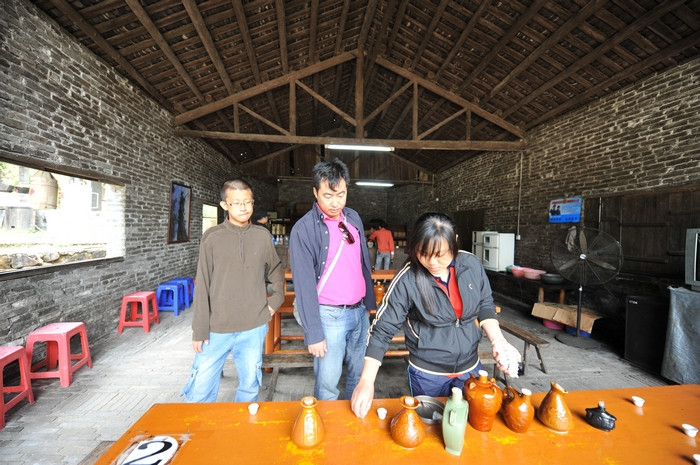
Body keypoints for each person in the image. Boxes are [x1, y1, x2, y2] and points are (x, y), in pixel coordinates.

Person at [350, 212, 521, 418]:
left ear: (454, 243)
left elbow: (485, 303)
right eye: (423, 253)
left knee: (471, 426)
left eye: (440, 254)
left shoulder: (471, 265)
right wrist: (367, 381)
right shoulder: (407, 279)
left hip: (470, 368)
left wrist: (498, 340)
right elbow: (382, 331)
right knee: (430, 429)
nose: (432, 262)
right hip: (428, 375)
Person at [181, 179, 285, 403]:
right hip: (216, 328)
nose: (244, 207)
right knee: (200, 390)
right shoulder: (212, 237)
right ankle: (199, 435)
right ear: (224, 205)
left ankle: (241, 434)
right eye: (237, 203)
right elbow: (204, 283)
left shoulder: (262, 236)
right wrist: (199, 329)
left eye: (248, 202)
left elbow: (276, 269)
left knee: (249, 388)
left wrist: (275, 301)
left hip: (253, 327)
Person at [289, 158, 376, 400]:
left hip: (359, 313)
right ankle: (327, 429)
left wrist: (369, 306)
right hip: (329, 317)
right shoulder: (303, 230)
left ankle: (350, 425)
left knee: (359, 377)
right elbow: (304, 286)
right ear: (315, 192)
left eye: (341, 194)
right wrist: (313, 332)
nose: (335, 202)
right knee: (328, 384)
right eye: (328, 195)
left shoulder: (353, 218)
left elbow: (362, 264)